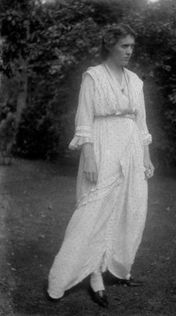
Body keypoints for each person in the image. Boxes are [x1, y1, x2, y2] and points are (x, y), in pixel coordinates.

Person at [47, 23, 155, 308]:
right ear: (110, 46)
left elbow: (141, 122)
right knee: (93, 210)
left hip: (131, 148)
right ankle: (91, 276)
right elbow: (84, 120)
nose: (130, 52)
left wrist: (146, 156)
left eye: (132, 46)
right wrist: (90, 157)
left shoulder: (135, 81)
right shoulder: (93, 76)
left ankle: (120, 267)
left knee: (130, 208)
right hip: (103, 146)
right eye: (124, 46)